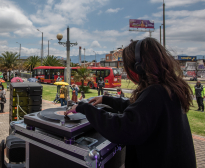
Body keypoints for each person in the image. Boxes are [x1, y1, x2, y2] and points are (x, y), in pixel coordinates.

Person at [65, 37, 196, 168]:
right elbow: (140, 109)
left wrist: (84, 108)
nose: (127, 75)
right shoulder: (168, 89)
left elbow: (123, 129)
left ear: (139, 68)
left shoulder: (156, 92)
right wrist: (106, 99)